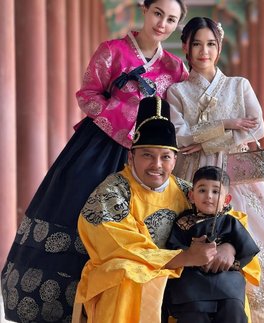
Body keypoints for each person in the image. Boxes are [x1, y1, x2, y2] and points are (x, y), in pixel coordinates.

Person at [0, 1, 188, 321]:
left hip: (149, 158)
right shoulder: (111, 50)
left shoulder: (175, 69)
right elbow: (87, 96)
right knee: (77, 209)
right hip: (99, 146)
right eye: (158, 13)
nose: (162, 24)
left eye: (171, 20)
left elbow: (183, 114)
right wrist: (125, 122)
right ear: (144, 10)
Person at [165, 17, 264, 322]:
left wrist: (203, 135)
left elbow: (257, 127)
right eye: (196, 44)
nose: (204, 51)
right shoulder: (177, 92)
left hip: (239, 174)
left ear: (219, 48)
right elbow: (180, 136)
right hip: (195, 174)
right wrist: (228, 124)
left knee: (260, 238)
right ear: (185, 48)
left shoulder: (238, 84)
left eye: (210, 44)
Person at [73, 96, 218, 323]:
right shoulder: (112, 192)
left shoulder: (187, 192)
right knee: (128, 272)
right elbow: (123, 248)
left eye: (165, 157)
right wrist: (185, 257)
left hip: (179, 273)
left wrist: (227, 247)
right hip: (127, 278)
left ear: (175, 159)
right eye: (147, 155)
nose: (156, 165)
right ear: (132, 157)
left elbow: (226, 219)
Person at [164, 166, 261, 323]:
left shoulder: (230, 222)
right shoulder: (183, 222)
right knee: (193, 314)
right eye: (202, 190)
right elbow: (174, 249)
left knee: (233, 311)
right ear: (191, 196)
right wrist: (191, 254)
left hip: (225, 279)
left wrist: (230, 260)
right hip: (193, 280)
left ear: (226, 200)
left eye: (216, 192)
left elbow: (247, 249)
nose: (208, 196)